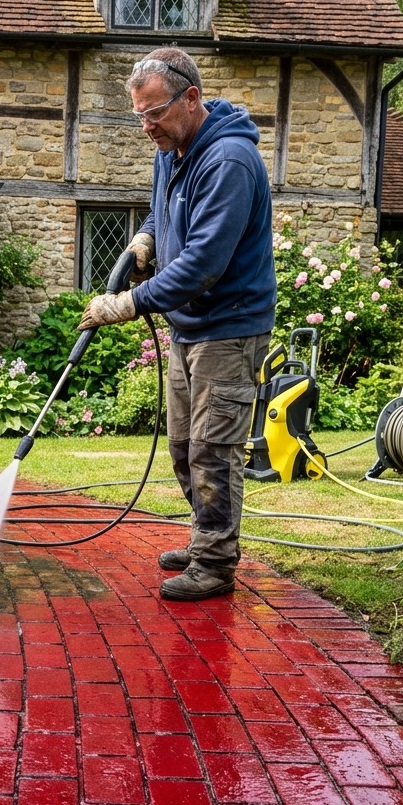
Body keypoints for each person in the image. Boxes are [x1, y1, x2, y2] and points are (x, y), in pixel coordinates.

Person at [78, 47, 276, 602]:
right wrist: (147, 236)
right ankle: (205, 540)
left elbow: (204, 263)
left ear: (191, 98)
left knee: (215, 450)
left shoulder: (229, 161)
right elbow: (161, 210)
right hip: (190, 327)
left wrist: (127, 304)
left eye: (155, 113)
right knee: (186, 448)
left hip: (230, 327)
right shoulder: (173, 149)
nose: (147, 127)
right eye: (139, 115)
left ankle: (214, 564)